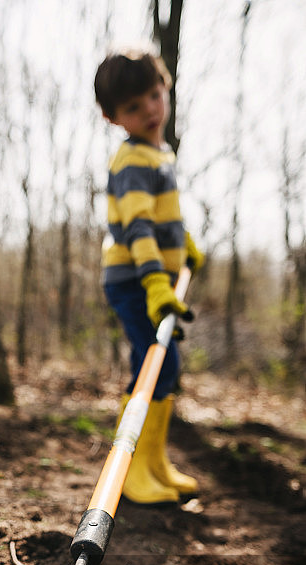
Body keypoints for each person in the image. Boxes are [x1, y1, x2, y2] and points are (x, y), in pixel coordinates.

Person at [94, 49, 204, 505]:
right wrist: (156, 282)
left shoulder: (159, 155)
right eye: (133, 107)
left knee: (161, 367)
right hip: (135, 281)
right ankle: (133, 470)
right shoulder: (133, 159)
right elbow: (137, 226)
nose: (150, 111)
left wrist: (183, 242)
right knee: (154, 367)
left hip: (151, 278)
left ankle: (154, 462)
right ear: (113, 117)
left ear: (166, 87)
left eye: (155, 96)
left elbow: (159, 217)